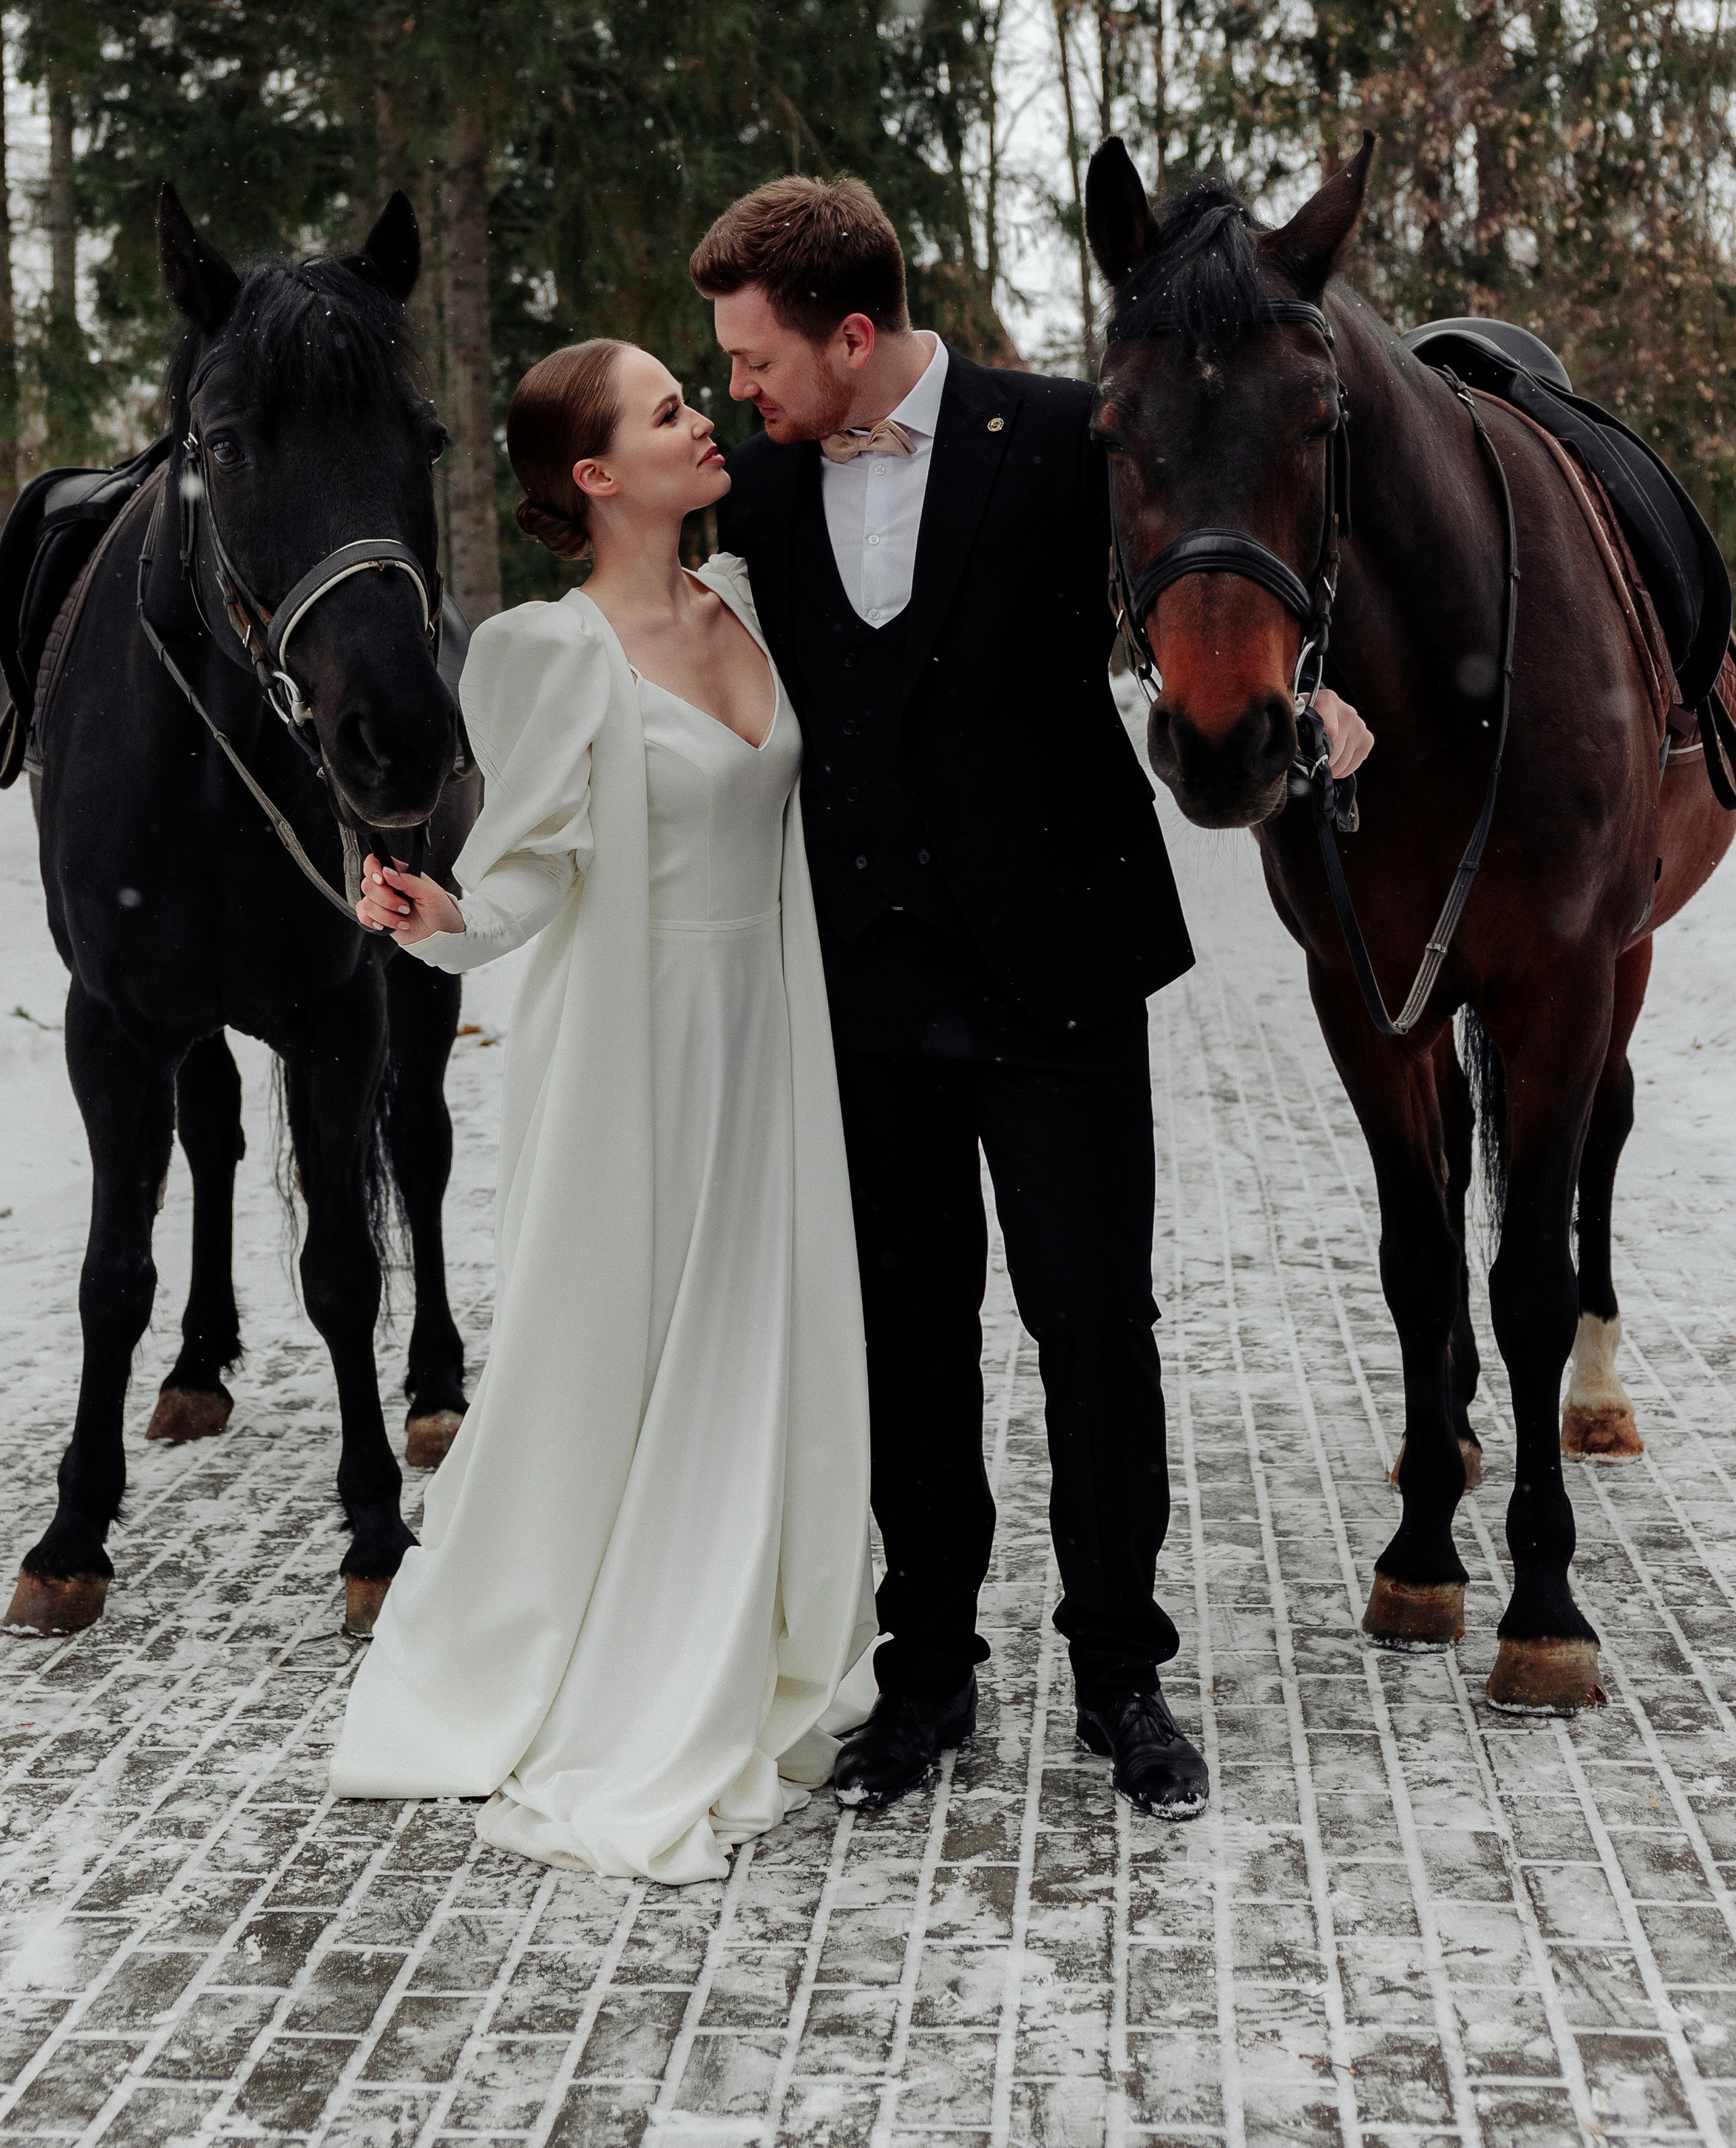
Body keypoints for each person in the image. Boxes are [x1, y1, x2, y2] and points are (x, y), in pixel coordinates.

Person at [693, 175, 1373, 1825]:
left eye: (750, 355)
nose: (734, 389)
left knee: (1092, 1333)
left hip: (1058, 966)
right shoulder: (762, 496)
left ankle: (1117, 1674)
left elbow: (1217, 538)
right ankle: (922, 1678)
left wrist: (1319, 700)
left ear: (850, 335)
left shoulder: (1068, 431)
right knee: (911, 1344)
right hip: (864, 981)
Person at [328, 337, 875, 1886]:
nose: (703, 420)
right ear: (591, 474)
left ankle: (759, 1607)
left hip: (769, 1047)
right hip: (638, 1060)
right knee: (624, 1356)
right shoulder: (547, 651)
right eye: (666, 410)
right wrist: (433, 910)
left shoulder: (753, 603)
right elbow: (522, 881)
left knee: (761, 1344)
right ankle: (600, 1651)